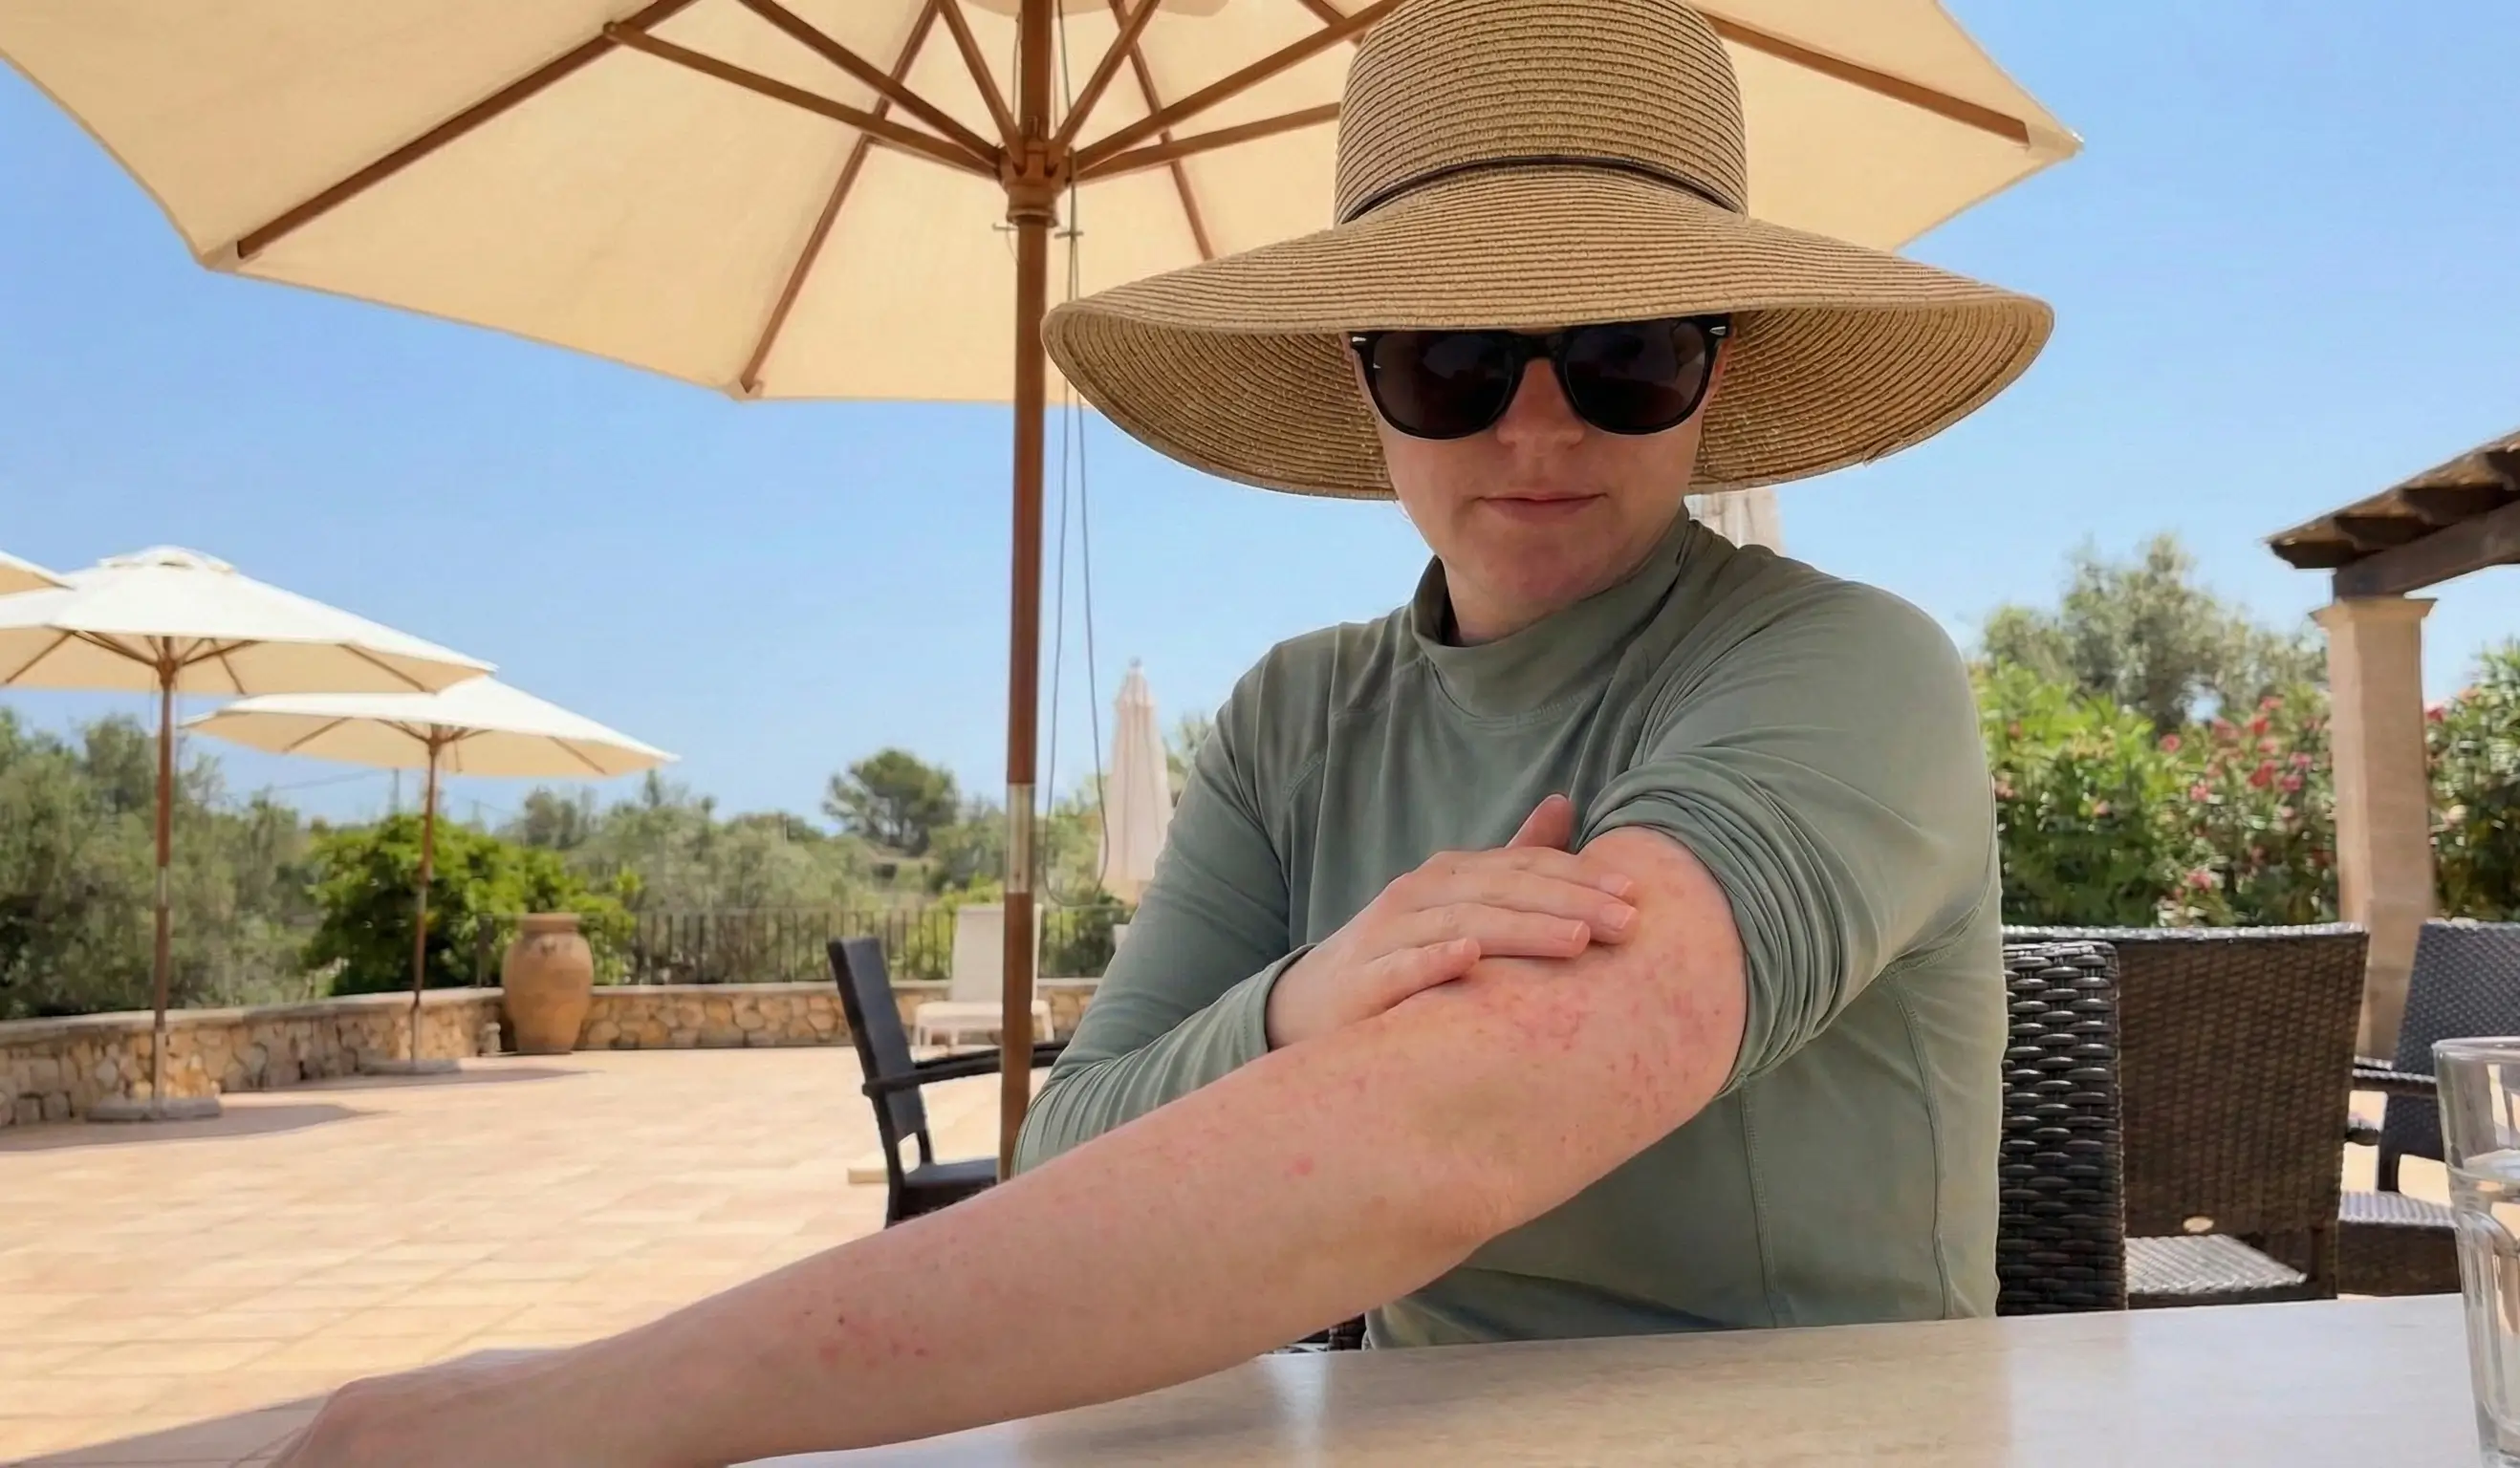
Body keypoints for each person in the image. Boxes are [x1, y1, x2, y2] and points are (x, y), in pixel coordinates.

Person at [274, 0, 2051, 1460]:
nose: (1535, 429)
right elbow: (1071, 1148)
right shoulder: (1298, 715)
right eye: (1451, 357)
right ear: (1362, 376)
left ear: (1717, 368)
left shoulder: (1842, 670)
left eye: (1625, 352)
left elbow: (1464, 1123)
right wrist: (1306, 1001)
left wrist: (593, 1408)